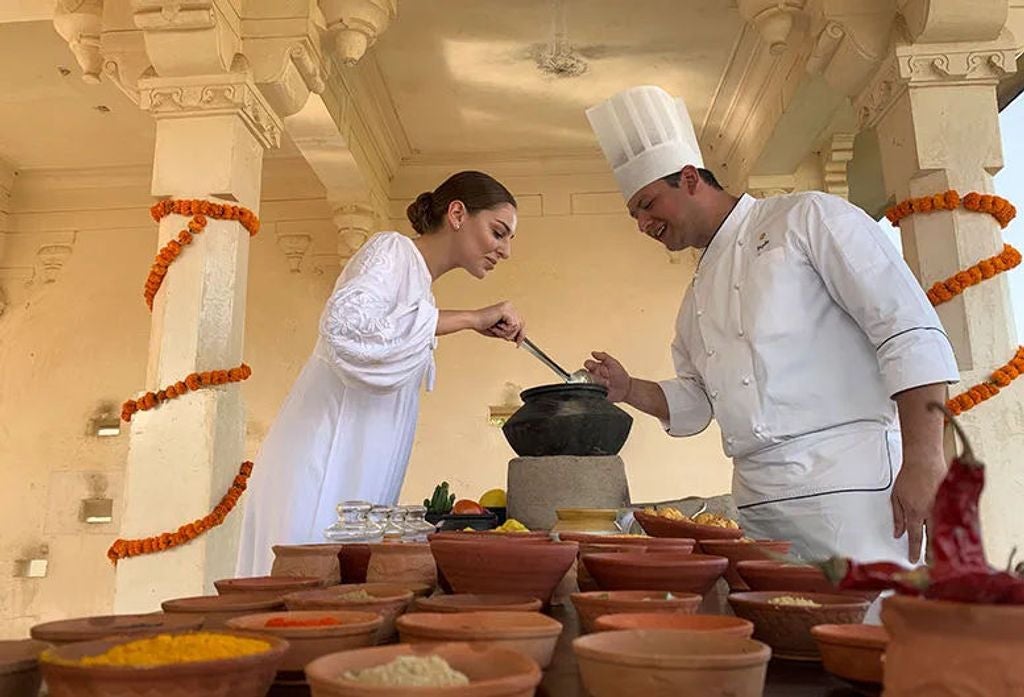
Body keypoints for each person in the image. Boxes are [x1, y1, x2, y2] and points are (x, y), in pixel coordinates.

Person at [583, 85, 959, 565]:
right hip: (758, 508)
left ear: (690, 178)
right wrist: (627, 387)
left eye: (648, 203)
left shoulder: (808, 218)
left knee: (870, 630)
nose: (642, 223)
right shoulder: (694, 299)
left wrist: (925, 459)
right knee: (781, 630)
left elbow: (906, 331)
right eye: (634, 213)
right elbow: (698, 402)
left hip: (853, 493)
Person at [236, 171, 524, 576]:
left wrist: (465, 321)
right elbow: (345, 326)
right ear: (457, 213)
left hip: (361, 469)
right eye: (499, 232)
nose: (505, 250)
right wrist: (471, 317)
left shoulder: (420, 286)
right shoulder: (392, 251)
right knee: (305, 577)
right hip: (324, 456)